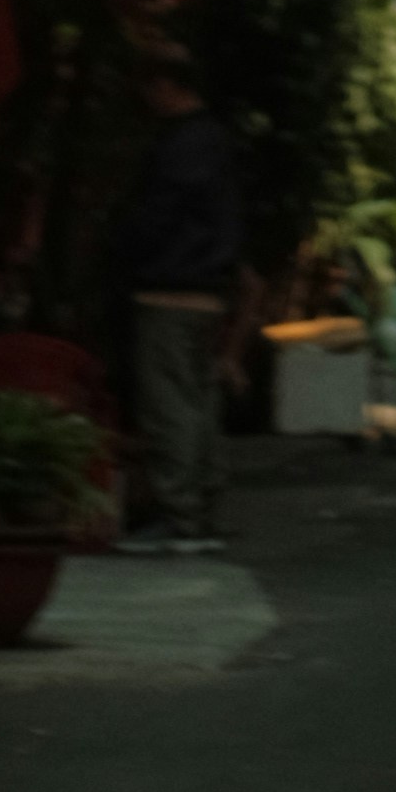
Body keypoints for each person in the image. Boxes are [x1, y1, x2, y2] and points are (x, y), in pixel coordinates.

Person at [115, 42, 248, 552]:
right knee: (198, 401)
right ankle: (201, 507)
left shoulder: (178, 146)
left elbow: (156, 217)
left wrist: (127, 249)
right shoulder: (215, 141)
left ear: (165, 84)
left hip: (169, 288)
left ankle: (179, 512)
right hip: (208, 290)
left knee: (169, 405)